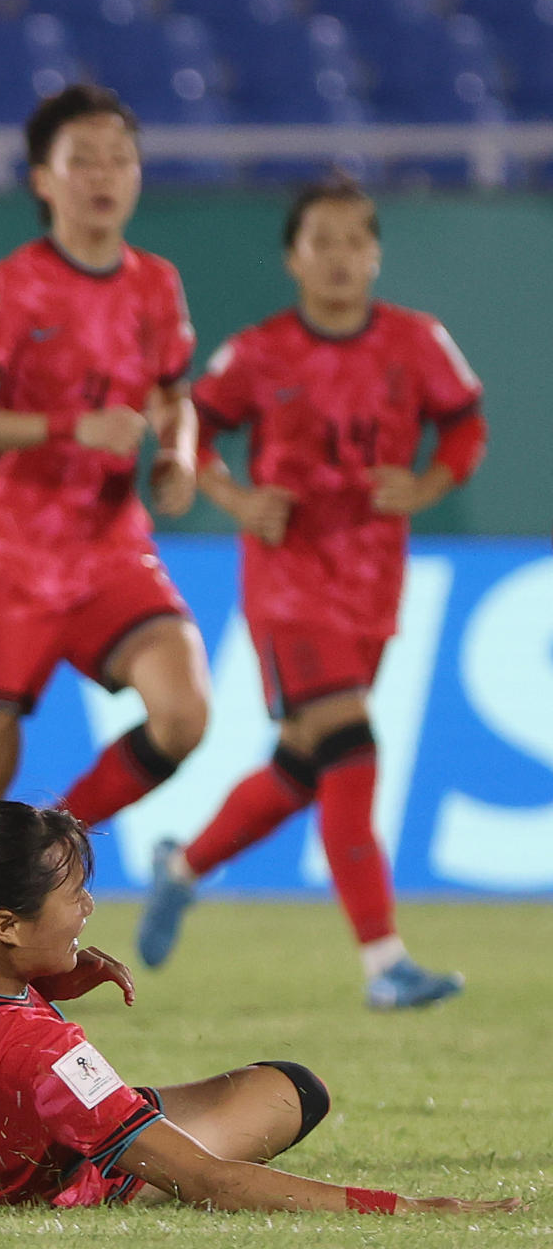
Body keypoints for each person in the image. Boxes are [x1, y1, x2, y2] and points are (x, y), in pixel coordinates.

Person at [0, 802, 521, 1216]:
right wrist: (408, 1208)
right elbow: (212, 1181)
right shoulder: (45, 1051)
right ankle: (123, 1178)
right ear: (5, 926)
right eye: (74, 895)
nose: (89, 906)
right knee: (291, 1088)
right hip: (58, 1169)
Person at [137, 178, 488, 1009]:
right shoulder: (260, 353)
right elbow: (190, 422)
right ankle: (384, 963)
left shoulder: (418, 342)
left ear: (374, 254)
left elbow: (467, 422)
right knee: (353, 748)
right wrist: (233, 499)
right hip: (289, 584)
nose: (337, 258)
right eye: (319, 242)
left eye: (353, 242)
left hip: (373, 583)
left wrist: (430, 481)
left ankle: (181, 866)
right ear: (293, 257)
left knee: (303, 766)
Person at [0, 84, 209, 825]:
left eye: (120, 159)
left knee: (184, 712)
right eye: (82, 160)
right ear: (43, 180)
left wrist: (176, 453)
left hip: (110, 550)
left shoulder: (159, 285)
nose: (104, 176)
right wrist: (69, 428)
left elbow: (175, 396)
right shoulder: (17, 286)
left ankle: (56, 838)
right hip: (5, 561)